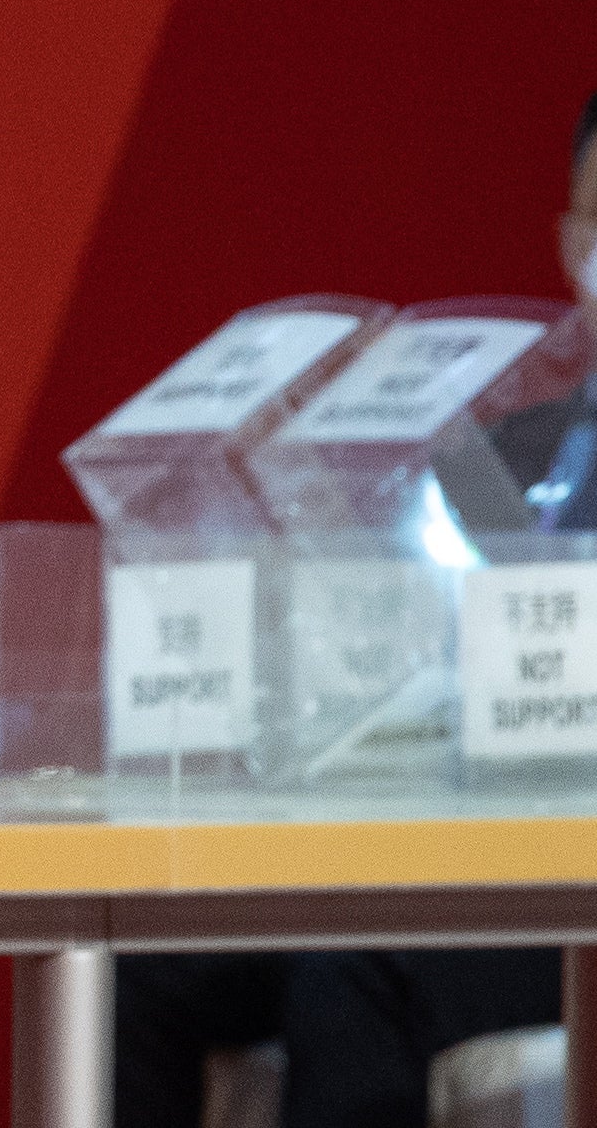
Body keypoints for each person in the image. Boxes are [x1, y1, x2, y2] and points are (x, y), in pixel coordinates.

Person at [113, 93, 597, 1128]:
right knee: (144, 963)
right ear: (568, 240)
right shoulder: (499, 452)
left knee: (355, 969)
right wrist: (312, 513)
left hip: (568, 893)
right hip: (461, 855)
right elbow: (407, 650)